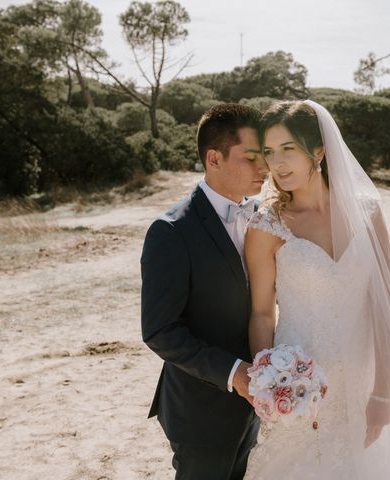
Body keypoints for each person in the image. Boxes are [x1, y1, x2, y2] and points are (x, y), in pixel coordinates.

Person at [242, 100, 390, 479]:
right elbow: (262, 313)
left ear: (318, 150)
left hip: (363, 382)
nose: (277, 164)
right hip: (299, 389)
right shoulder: (266, 225)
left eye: (287, 149)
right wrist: (268, 382)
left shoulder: (367, 212)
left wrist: (383, 391)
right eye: (269, 152)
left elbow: (385, 307)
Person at [140, 103, 269, 479]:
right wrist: (235, 374)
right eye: (250, 158)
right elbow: (160, 330)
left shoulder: (266, 216)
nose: (262, 168)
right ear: (214, 158)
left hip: (257, 408)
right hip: (201, 414)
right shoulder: (171, 232)